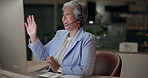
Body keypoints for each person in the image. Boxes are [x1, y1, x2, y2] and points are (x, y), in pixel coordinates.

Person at [25, 0, 96, 76]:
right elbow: (43, 55)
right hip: (51, 75)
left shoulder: (87, 39)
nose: (64, 18)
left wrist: (58, 69)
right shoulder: (60, 34)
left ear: (79, 18)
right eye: (63, 14)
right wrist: (33, 36)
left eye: (68, 14)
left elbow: (86, 70)